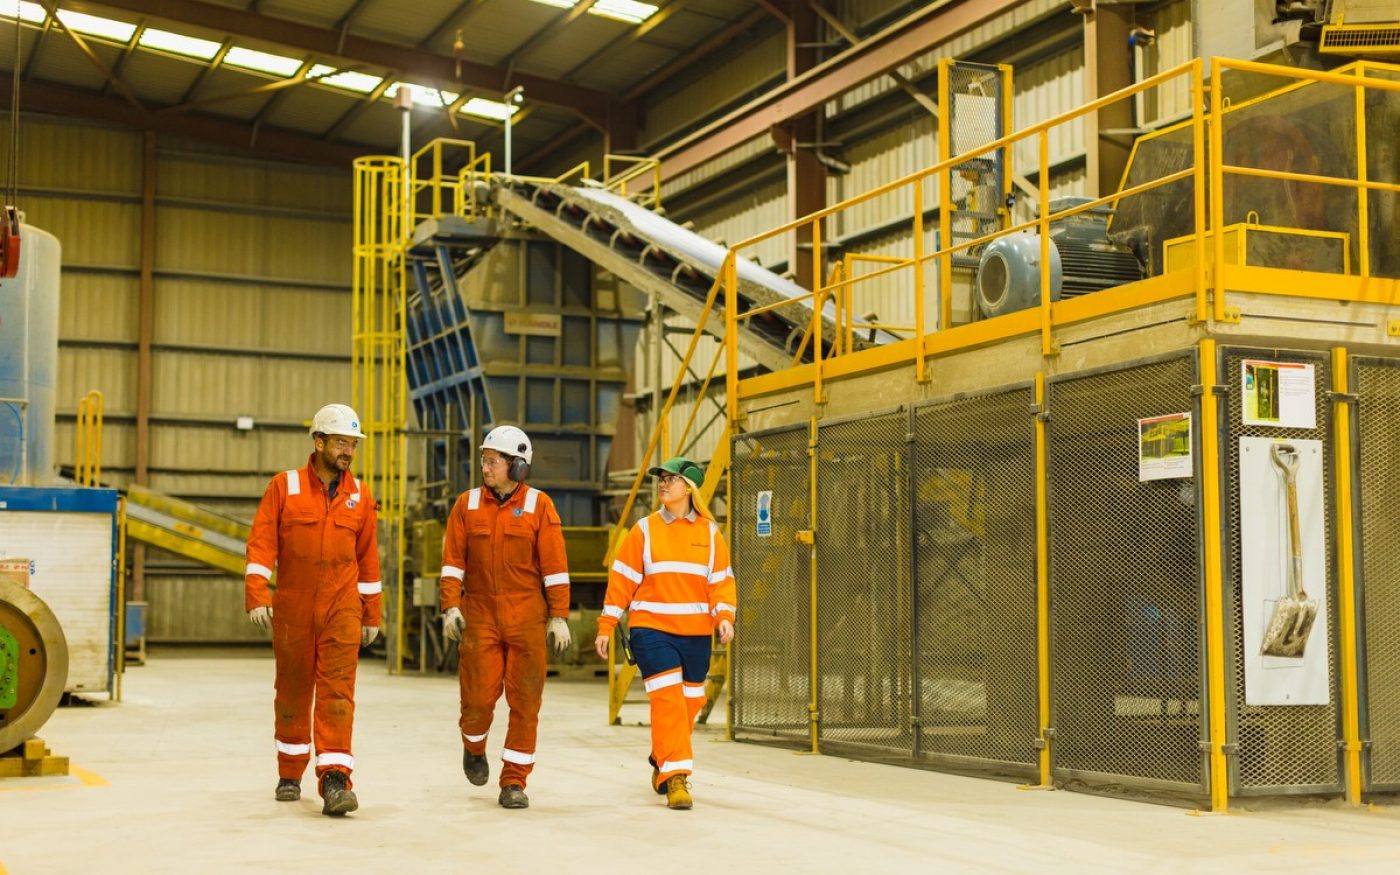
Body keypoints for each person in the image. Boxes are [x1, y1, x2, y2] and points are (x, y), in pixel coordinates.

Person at [245, 403, 381, 817]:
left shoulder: (360, 496)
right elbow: (262, 543)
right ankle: (290, 771)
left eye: (353, 444)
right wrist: (256, 592)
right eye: (341, 442)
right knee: (292, 688)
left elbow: (368, 559)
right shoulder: (284, 487)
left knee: (339, 693)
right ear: (318, 441)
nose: (348, 452)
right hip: (294, 607)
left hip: (342, 607)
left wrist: (371, 613)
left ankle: (335, 778)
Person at [439, 424, 572, 810]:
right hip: (479, 614)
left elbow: (555, 566)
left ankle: (514, 781)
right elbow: (452, 563)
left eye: (494, 461)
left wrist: (558, 615)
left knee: (526, 701)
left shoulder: (539, 506)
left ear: (518, 467)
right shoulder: (466, 505)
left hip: (527, 615)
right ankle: (473, 744)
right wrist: (451, 607)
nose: (486, 466)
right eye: (484, 460)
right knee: (478, 699)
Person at [594, 456, 736, 810]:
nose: (662, 485)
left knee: (689, 703)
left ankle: (663, 755)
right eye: (660, 480)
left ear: (688, 488)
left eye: (670, 480)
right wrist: (606, 624)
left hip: (695, 634)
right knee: (669, 701)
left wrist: (725, 616)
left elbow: (720, 582)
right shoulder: (643, 530)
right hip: (652, 631)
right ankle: (677, 779)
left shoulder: (709, 534)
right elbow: (622, 580)